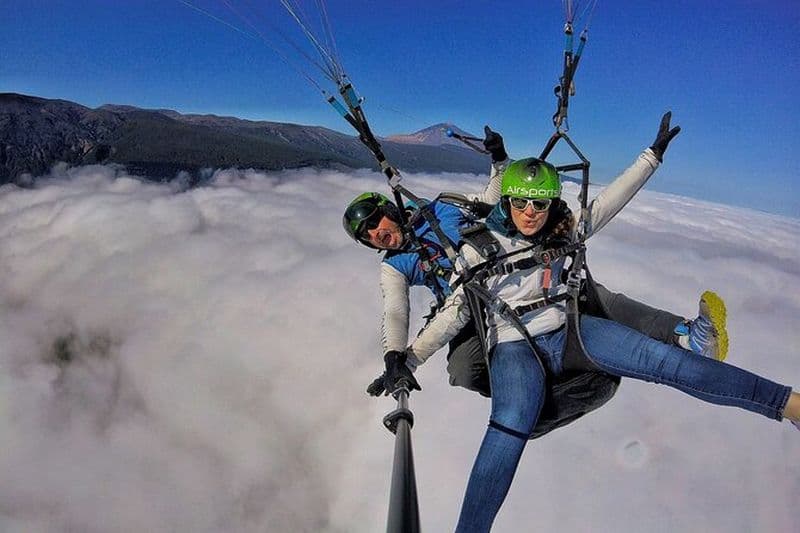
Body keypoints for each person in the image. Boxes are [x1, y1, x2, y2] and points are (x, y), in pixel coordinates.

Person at [383, 115, 800, 531]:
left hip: (570, 332)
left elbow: (610, 201)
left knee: (662, 361)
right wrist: (407, 359)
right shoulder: (478, 250)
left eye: (540, 203)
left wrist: (651, 157)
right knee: (509, 427)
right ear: (507, 202)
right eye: (521, 202)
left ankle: (786, 403)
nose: (531, 213)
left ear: (551, 203)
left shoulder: (566, 229)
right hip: (512, 344)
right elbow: (455, 312)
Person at [343, 119, 727, 399]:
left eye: (376, 221)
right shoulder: (395, 265)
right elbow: (396, 310)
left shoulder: (442, 210)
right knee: (462, 371)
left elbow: (494, 200)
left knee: (592, 299)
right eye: (368, 236)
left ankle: (685, 336)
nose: (377, 233)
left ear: (389, 209)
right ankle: (526, 392)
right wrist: (397, 358)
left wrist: (499, 160)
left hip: (515, 270)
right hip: (471, 307)